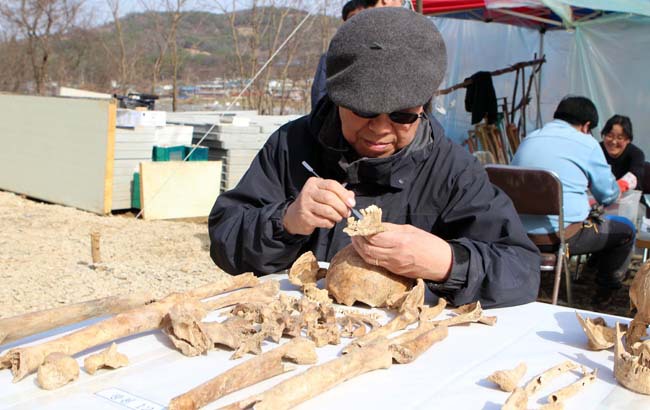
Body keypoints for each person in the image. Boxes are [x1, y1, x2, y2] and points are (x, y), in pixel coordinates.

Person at [209, 8, 540, 309]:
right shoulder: (292, 145)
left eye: (402, 116)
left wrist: (448, 262)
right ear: (338, 99)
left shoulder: (451, 169)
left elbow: (522, 271)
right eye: (364, 111)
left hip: (397, 345)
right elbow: (225, 241)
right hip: (298, 327)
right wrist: (287, 220)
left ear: (423, 107)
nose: (381, 129)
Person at [512, 96, 635, 307]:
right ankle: (604, 295)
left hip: (518, 232)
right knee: (626, 230)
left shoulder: (530, 138)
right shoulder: (586, 143)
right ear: (587, 126)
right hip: (562, 234)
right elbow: (608, 194)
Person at [310, 0, 364, 111]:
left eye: (363, 17)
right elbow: (319, 95)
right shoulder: (330, 57)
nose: (359, 23)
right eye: (353, 19)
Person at [600, 114, 645, 192]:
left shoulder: (636, 154)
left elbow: (633, 177)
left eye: (620, 138)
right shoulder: (596, 150)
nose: (614, 142)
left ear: (628, 140)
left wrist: (617, 188)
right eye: (610, 136)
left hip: (630, 200)